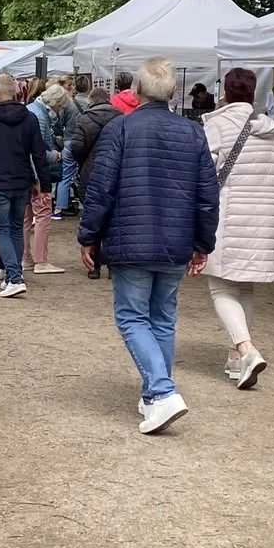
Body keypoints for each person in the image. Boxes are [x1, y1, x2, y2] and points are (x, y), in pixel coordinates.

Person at [78, 58, 219, 434]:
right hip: (175, 241)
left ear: (136, 90)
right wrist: (203, 241)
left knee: (132, 317)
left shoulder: (120, 129)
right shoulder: (192, 134)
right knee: (162, 318)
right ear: (174, 93)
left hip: (130, 238)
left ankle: (160, 390)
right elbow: (208, 195)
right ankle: (155, 392)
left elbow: (101, 188)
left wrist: (88, 234)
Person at [201, 68, 274, 390]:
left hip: (229, 219)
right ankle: (235, 357)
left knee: (221, 287)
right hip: (266, 222)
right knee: (245, 288)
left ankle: (246, 349)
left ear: (224, 92)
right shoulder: (270, 130)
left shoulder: (217, 126)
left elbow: (204, 176)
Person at [0, 73, 50, 298]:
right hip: (22, 181)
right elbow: (39, 154)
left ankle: (14, 276)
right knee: (15, 228)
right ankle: (8, 271)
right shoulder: (30, 118)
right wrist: (44, 185)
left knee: (3, 229)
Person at [70, 87, 127, 279]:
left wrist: (84, 161)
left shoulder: (85, 119)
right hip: (116, 171)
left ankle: (94, 265)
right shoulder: (121, 119)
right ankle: (111, 264)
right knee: (112, 219)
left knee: (92, 215)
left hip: (91, 171)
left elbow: (76, 147)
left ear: (91, 101)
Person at [25, 84, 69, 274]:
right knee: (43, 215)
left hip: (24, 173)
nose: (59, 111)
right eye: (60, 107)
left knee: (26, 217)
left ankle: (25, 258)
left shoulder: (30, 110)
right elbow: (38, 151)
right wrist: (55, 156)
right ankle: (41, 261)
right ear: (55, 103)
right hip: (36, 173)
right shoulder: (40, 116)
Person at [53, 86, 82, 220]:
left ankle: (59, 209)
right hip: (82, 141)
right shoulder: (87, 102)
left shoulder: (67, 104)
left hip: (68, 141)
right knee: (82, 175)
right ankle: (81, 205)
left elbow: (59, 124)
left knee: (64, 176)